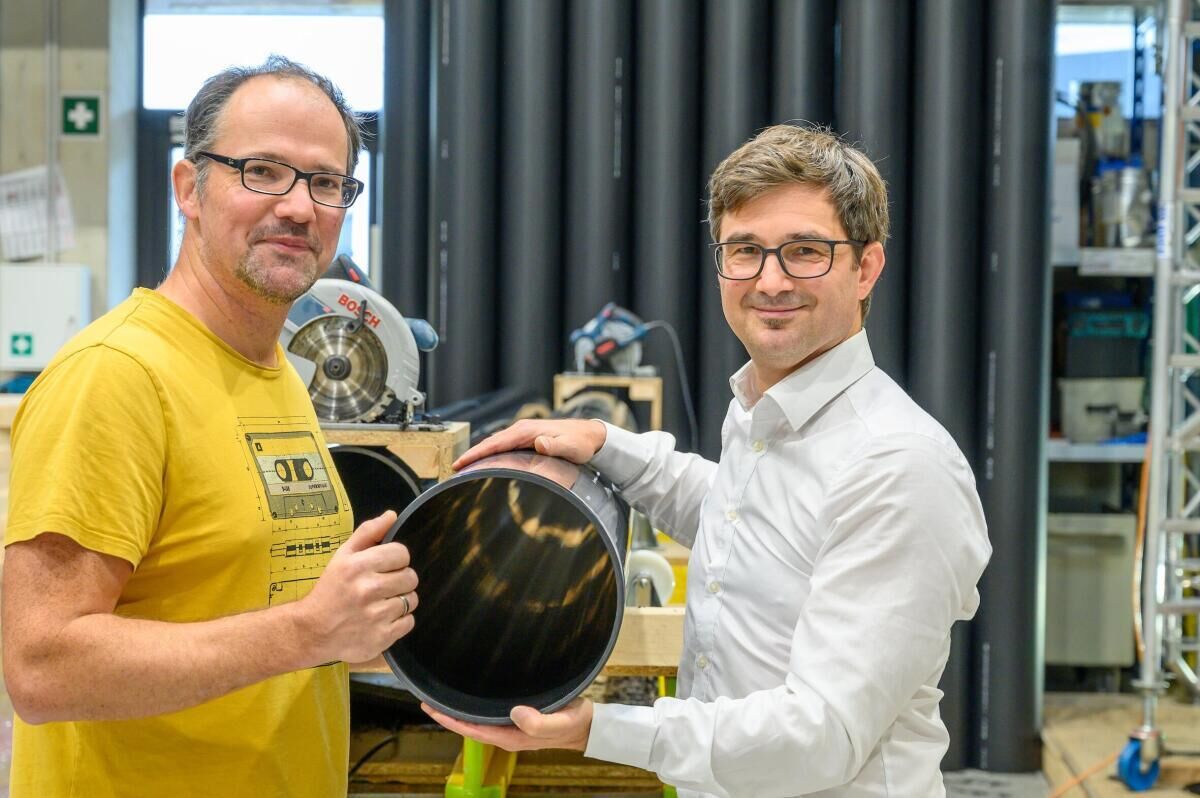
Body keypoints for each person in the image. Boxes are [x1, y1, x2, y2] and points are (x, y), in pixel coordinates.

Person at [425, 124, 992, 797]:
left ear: (866, 267)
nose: (770, 281)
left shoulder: (899, 466)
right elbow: (747, 518)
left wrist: (597, 729)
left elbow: (822, 736)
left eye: (805, 251)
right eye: (745, 250)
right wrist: (606, 443)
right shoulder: (763, 408)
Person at [2, 57, 418, 797]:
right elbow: (41, 668)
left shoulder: (276, 371)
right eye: (263, 171)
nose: (300, 207)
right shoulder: (115, 375)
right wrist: (308, 632)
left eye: (327, 183)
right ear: (189, 188)